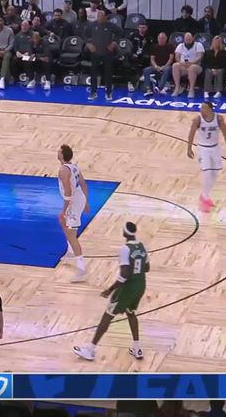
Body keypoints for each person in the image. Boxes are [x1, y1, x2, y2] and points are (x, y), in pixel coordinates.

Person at [73, 221, 148, 361]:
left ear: (125, 232)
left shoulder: (125, 249)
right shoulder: (142, 246)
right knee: (131, 313)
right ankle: (137, 348)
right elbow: (147, 268)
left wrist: (110, 289)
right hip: (140, 286)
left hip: (127, 289)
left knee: (107, 316)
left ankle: (90, 350)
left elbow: (124, 274)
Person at [187, 101, 226, 212]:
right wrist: (189, 148)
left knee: (214, 173)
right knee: (207, 171)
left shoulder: (219, 119)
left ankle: (205, 194)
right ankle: (205, 198)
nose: (201, 110)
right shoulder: (198, 120)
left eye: (204, 108)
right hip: (203, 148)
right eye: (201, 107)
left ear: (210, 109)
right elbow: (191, 134)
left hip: (215, 148)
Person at [58, 144, 89, 282]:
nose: (57, 152)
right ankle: (70, 251)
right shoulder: (74, 166)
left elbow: (68, 191)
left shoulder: (64, 170)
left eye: (59, 151)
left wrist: (64, 210)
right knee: (63, 223)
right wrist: (85, 201)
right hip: (78, 198)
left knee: (72, 235)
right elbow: (83, 184)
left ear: (62, 155)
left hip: (73, 202)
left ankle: (82, 270)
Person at [86, 12, 121, 101]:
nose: (100, 18)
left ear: (105, 17)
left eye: (101, 16)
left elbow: (120, 32)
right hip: (95, 52)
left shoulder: (111, 25)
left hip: (107, 52)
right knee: (93, 73)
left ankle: (108, 93)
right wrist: (88, 44)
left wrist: (114, 42)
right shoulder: (92, 25)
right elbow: (85, 35)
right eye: (98, 16)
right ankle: (93, 92)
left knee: (108, 73)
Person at [172, 32, 205, 97]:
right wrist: (181, 63)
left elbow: (200, 57)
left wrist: (192, 63)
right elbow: (177, 57)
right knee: (175, 65)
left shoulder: (198, 45)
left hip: (196, 66)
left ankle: (191, 89)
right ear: (184, 39)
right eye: (186, 39)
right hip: (184, 66)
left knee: (192, 68)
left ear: (192, 38)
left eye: (189, 39)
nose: (188, 40)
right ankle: (177, 87)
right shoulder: (180, 45)